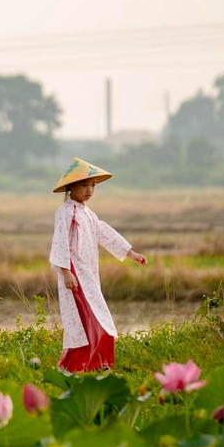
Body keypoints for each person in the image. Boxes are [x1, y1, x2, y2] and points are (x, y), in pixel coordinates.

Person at [48, 158, 147, 372]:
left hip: (89, 276)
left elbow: (105, 234)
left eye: (93, 185)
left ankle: (96, 365)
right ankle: (80, 365)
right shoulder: (65, 212)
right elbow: (61, 242)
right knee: (85, 321)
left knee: (99, 319)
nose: (90, 190)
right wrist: (66, 272)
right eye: (84, 185)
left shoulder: (89, 214)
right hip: (75, 276)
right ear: (71, 187)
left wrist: (131, 253)